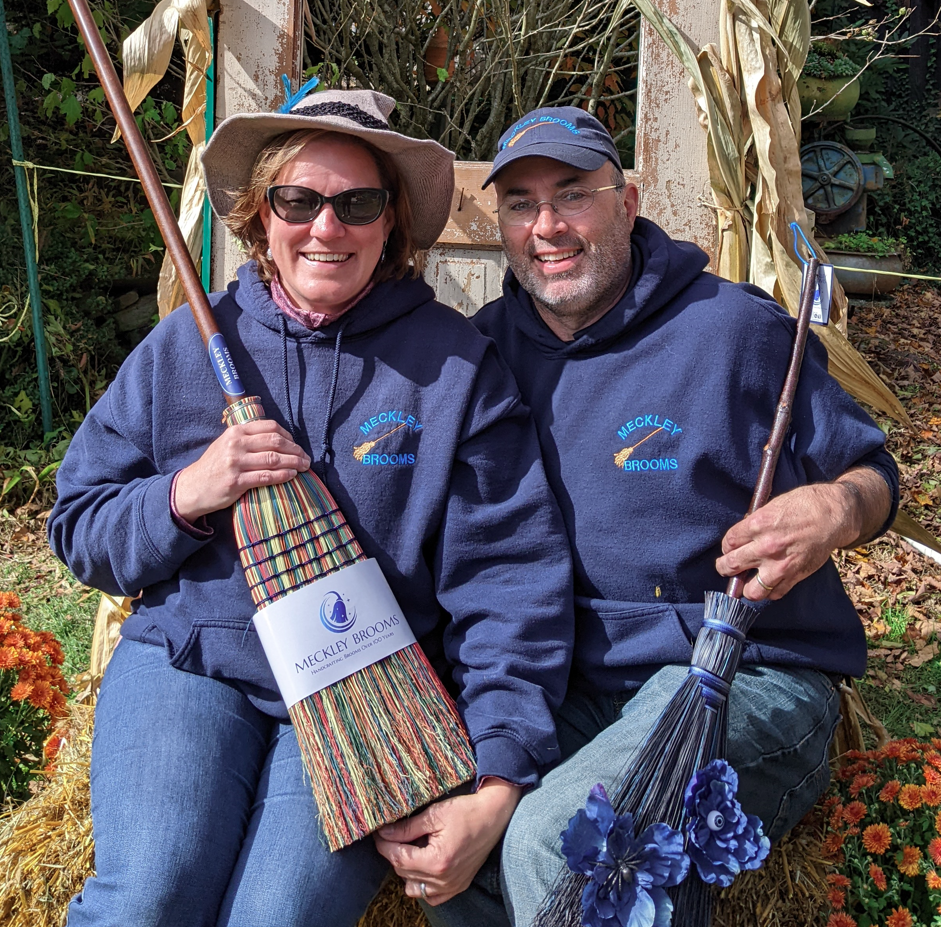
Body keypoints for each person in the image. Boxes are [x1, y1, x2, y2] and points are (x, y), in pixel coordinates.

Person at [48, 89, 574, 927]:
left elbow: (508, 583)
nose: (326, 226)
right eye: (298, 199)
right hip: (194, 661)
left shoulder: (452, 368)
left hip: (361, 681)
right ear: (263, 212)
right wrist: (188, 493)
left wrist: (502, 771)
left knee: (278, 916)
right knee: (150, 894)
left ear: (391, 223)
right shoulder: (189, 343)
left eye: (356, 203)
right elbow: (79, 525)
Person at [376, 106, 899, 926]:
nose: (546, 226)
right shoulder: (475, 359)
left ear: (626, 201)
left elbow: (874, 473)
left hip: (739, 674)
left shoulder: (736, 332)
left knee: (558, 842)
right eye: (519, 203)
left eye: (573, 195)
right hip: (563, 684)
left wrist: (835, 507)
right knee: (452, 838)